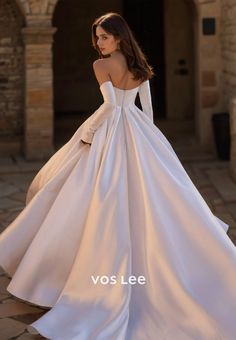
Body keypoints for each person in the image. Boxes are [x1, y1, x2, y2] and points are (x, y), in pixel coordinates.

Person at [0, 11, 236, 340]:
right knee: (153, 199)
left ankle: (69, 276)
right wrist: (151, 143)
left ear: (119, 37)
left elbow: (110, 106)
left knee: (89, 197)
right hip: (139, 132)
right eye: (97, 37)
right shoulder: (140, 66)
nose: (98, 43)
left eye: (104, 37)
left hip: (111, 130)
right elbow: (148, 112)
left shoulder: (102, 66)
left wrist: (88, 133)